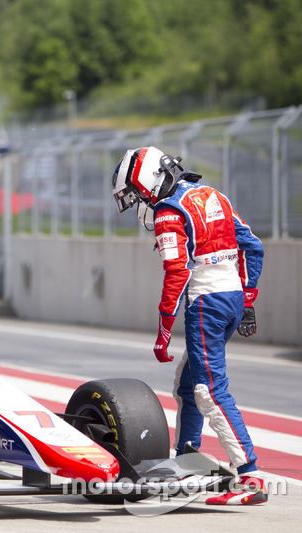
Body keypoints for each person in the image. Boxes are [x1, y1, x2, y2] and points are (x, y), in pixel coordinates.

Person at [111, 146, 267, 505]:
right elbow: (253, 247)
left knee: (208, 390)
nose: (139, 203)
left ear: (149, 182)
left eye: (136, 194)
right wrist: (247, 298)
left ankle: (250, 476)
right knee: (188, 383)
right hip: (230, 299)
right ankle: (186, 459)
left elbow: (178, 271)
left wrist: (164, 328)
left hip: (206, 303)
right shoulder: (215, 195)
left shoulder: (168, 212)